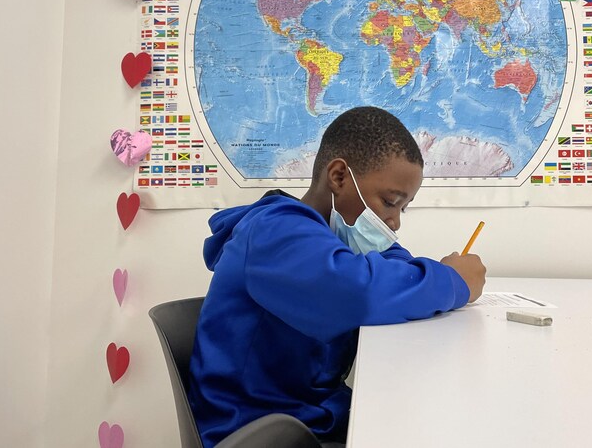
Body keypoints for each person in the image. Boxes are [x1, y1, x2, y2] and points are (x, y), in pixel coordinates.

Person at [187, 106, 487, 447]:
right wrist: (453, 280)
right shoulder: (275, 232)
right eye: (390, 202)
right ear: (339, 177)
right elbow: (360, 293)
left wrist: (428, 273)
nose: (395, 222)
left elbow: (394, 264)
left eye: (402, 208)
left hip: (312, 415)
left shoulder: (331, 235)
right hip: (259, 430)